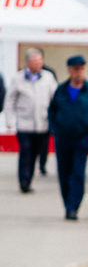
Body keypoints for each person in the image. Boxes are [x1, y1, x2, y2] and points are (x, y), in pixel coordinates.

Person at [47, 55, 88, 220]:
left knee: (78, 172)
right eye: (76, 69)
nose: (79, 72)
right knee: (64, 172)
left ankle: (74, 207)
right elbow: (52, 111)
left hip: (82, 138)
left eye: (82, 69)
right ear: (70, 70)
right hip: (63, 138)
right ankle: (67, 203)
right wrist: (53, 129)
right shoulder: (61, 90)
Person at [5, 49, 56, 193]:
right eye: (35, 61)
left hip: (42, 124)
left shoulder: (48, 77)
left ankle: (29, 179)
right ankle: (24, 181)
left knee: (35, 153)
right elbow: (10, 100)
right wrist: (9, 120)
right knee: (25, 151)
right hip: (24, 123)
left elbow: (55, 99)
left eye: (40, 61)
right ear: (28, 63)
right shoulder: (18, 78)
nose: (38, 64)